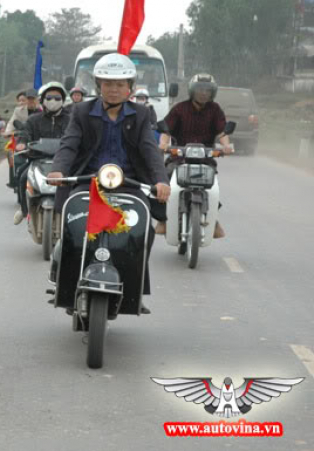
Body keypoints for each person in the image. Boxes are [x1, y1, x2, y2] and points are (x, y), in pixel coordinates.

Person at [47, 53, 170, 311]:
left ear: (130, 87)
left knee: (142, 230)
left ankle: (135, 288)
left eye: (120, 84)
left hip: (129, 184)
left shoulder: (140, 113)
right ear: (98, 85)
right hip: (87, 182)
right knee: (75, 228)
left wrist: (161, 180)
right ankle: (66, 284)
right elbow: (69, 144)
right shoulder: (81, 111)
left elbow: (150, 150)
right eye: (108, 83)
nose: (114, 89)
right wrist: (59, 170)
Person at [157, 73, 233, 238]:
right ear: (192, 90)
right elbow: (166, 130)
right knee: (167, 177)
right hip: (179, 156)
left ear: (213, 92)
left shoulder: (215, 110)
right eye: (200, 89)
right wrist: (163, 144)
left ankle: (214, 221)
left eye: (207, 90)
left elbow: (222, 131)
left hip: (205, 158)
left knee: (212, 186)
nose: (204, 93)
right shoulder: (179, 108)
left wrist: (226, 146)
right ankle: (163, 219)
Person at [12, 81, 71, 225]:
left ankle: (73, 212)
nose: (53, 101)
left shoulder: (71, 119)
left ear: (63, 100)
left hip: (63, 162)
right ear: (43, 100)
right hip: (38, 159)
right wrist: (21, 143)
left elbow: (75, 137)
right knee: (22, 176)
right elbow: (25, 133)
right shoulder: (34, 120)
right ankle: (24, 209)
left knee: (76, 183)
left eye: (57, 98)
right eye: (49, 97)